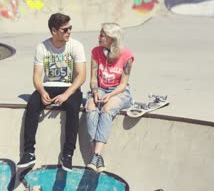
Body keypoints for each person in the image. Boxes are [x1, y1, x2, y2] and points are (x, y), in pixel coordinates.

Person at [17, 13, 86, 172]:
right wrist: (41, 91)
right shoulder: (42, 47)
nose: (69, 32)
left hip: (70, 87)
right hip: (49, 86)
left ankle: (68, 154)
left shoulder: (76, 46)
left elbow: (82, 75)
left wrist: (66, 94)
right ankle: (29, 152)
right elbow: (36, 76)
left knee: (73, 108)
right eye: (65, 29)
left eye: (70, 28)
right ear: (54, 31)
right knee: (33, 104)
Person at [85, 23, 134, 173]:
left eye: (102, 35)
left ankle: (96, 155)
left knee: (107, 108)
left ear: (112, 39)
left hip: (119, 92)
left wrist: (110, 95)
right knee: (91, 107)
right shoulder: (96, 52)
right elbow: (93, 79)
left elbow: (123, 84)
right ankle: (97, 159)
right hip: (99, 89)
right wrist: (94, 92)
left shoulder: (127, 56)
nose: (98, 37)